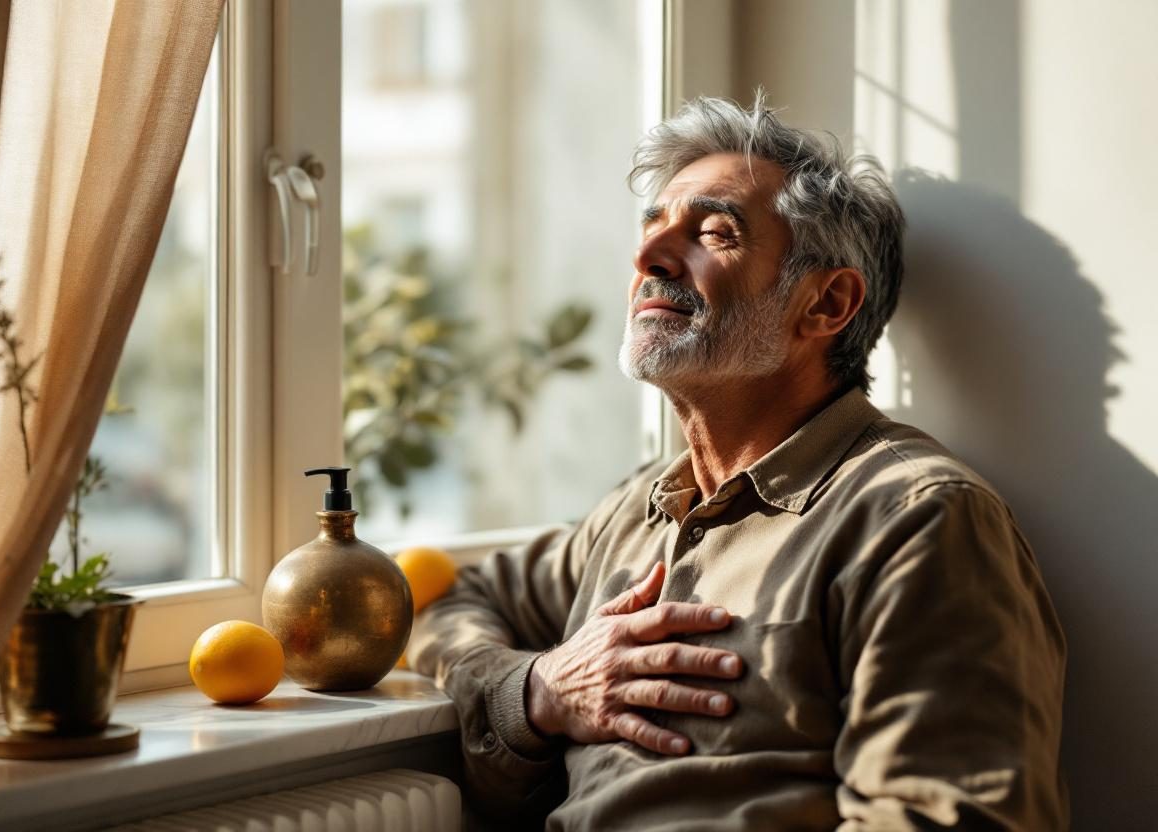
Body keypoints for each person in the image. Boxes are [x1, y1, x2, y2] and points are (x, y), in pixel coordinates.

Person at [406, 92, 1067, 831]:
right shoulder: (635, 510)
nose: (648, 256)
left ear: (825, 304)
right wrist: (537, 688)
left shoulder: (918, 519)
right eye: (653, 226)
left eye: (714, 232)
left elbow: (947, 818)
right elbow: (447, 606)